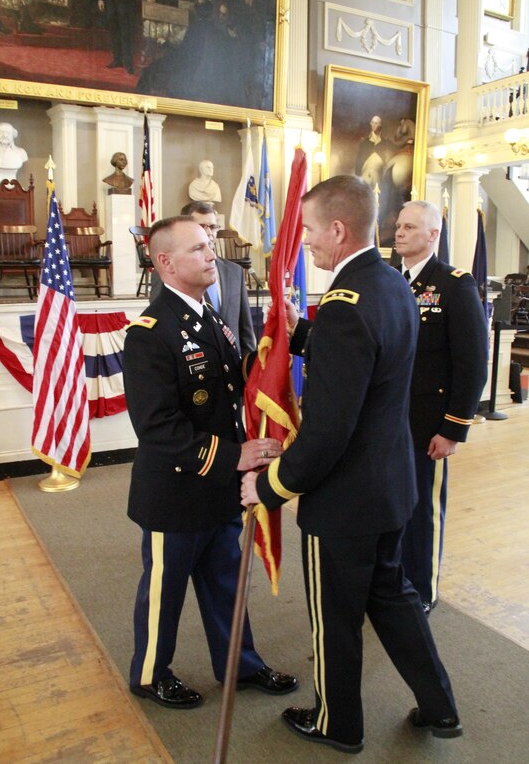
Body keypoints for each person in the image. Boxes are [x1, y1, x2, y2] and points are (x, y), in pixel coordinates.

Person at [241, 175, 463, 753]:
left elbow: (330, 429)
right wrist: (302, 332)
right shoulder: (391, 284)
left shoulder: (345, 302)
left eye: (311, 231)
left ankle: (337, 723)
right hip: (391, 487)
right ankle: (441, 707)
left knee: (334, 620)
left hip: (344, 503)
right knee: (392, 598)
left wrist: (271, 486)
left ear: (338, 230)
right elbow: (370, 358)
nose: (306, 243)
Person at [123, 216, 298, 708]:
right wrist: (233, 455)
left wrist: (275, 342)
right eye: (199, 248)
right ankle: (150, 673)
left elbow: (234, 379)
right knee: (165, 590)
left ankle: (239, 666)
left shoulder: (210, 317)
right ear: (165, 263)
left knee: (225, 582)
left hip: (219, 487)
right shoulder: (150, 333)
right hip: (176, 492)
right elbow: (157, 427)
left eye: (209, 246)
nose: (210, 256)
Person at [395, 200, 488, 613]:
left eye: (410, 227)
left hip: (427, 424)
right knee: (394, 505)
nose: (399, 233)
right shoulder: (390, 281)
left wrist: (453, 428)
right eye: (398, 226)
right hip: (390, 423)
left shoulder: (454, 284)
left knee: (423, 513)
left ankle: (422, 590)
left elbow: (472, 363)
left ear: (433, 234)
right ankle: (394, 580)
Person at [150, 202, 256, 357]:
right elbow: (162, 322)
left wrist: (251, 373)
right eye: (201, 226)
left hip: (234, 369)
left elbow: (245, 330)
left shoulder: (234, 271)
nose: (208, 232)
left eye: (212, 227)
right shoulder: (168, 271)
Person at [0, 122, 28, 188]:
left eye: (8, 133)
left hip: (16, 190)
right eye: (1, 132)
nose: (5, 135)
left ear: (13, 134)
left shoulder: (21, 152)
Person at [354, 114, 394, 188]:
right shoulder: (365, 143)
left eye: (376, 123)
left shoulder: (386, 143)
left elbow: (388, 163)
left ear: (380, 125)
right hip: (365, 176)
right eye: (372, 123)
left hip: (379, 178)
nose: (373, 125)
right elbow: (358, 163)